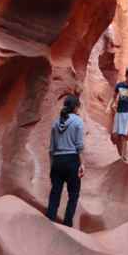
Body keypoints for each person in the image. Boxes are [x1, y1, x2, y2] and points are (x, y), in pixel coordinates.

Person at [46, 94, 85, 227]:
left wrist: (52, 166)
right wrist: (82, 164)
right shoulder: (78, 122)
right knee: (73, 194)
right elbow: (79, 146)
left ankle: (49, 221)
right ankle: (67, 225)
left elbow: (51, 148)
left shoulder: (56, 122)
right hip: (72, 160)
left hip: (57, 160)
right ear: (75, 107)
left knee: (55, 192)